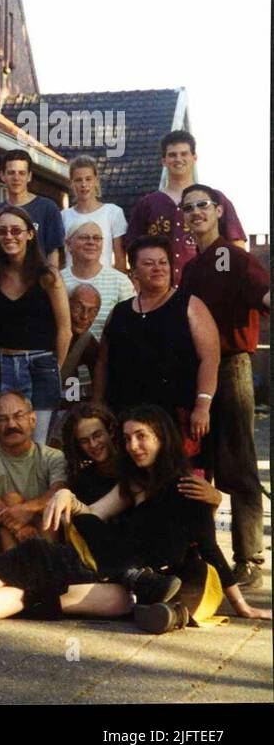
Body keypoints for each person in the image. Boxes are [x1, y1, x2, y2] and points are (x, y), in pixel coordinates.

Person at [0, 405, 270, 630]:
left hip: (136, 584)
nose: (134, 447)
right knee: (33, 591)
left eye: (142, 437)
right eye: (129, 439)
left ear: (162, 438)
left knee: (35, 561)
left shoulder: (189, 488)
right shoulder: (131, 484)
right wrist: (69, 498)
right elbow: (93, 518)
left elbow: (210, 548)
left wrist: (241, 606)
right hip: (110, 572)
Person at [180, 183, 270, 587]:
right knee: (202, 461)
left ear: (218, 211)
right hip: (198, 371)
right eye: (189, 207)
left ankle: (249, 559)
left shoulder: (234, 258)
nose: (196, 212)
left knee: (237, 463)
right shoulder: (191, 269)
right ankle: (203, 555)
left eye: (203, 205)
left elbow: (265, 295)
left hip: (231, 367)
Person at [94, 236, 219, 451]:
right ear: (133, 272)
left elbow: (210, 359)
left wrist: (202, 405)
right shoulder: (120, 312)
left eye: (163, 262)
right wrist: (97, 408)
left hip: (175, 416)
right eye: (148, 263)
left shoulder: (189, 305)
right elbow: (103, 363)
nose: (158, 268)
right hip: (126, 415)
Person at [0, 205, 70, 443]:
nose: (9, 236)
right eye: (2, 231)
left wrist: (55, 369)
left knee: (37, 443)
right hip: (4, 365)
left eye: (16, 230)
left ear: (30, 234)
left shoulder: (48, 276)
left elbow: (65, 330)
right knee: (6, 440)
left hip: (41, 365)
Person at [126, 130, 247, 287]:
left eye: (184, 154)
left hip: (207, 286)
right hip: (160, 292)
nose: (178, 159)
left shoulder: (214, 199)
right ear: (164, 160)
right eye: (172, 155)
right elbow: (133, 250)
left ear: (194, 158)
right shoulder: (148, 204)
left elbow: (236, 243)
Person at [0, 391, 68, 553]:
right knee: (11, 500)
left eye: (18, 416)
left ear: (32, 420)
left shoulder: (53, 457)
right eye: (2, 419)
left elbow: (57, 493)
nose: (11, 425)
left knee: (48, 514)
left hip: (45, 532)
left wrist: (26, 509)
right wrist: (20, 528)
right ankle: (20, 571)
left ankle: (48, 565)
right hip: (0, 538)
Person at [60, 221, 134, 340]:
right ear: (69, 245)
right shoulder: (58, 281)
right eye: (84, 237)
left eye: (97, 238)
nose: (91, 242)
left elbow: (130, 326)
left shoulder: (120, 282)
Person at [1, 149, 64, 267]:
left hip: (39, 280)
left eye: (21, 173)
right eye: (11, 173)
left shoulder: (47, 208)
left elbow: (53, 252)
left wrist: (51, 280)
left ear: (29, 176)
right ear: (2, 176)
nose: (16, 178)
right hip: (6, 280)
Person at [62, 156, 127, 271]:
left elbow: (120, 260)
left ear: (96, 181)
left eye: (88, 179)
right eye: (78, 180)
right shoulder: (63, 217)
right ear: (72, 183)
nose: (83, 184)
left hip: (104, 285)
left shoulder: (113, 212)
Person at [57, 284, 102, 420]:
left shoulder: (88, 343)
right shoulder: (49, 332)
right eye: (78, 308)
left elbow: (99, 381)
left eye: (92, 311)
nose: (84, 316)